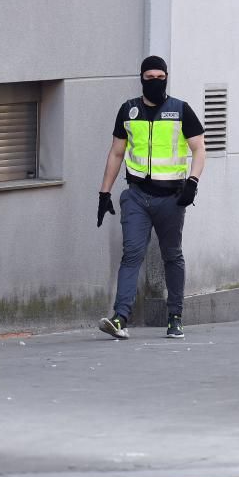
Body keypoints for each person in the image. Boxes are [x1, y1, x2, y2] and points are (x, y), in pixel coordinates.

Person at [96, 55, 206, 339]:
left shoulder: (181, 110)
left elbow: (199, 148)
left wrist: (192, 183)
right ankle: (120, 318)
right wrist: (104, 192)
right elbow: (117, 153)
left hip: (172, 197)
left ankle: (175, 316)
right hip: (137, 196)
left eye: (160, 77)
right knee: (131, 254)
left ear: (167, 77)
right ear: (141, 79)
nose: (155, 82)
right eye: (150, 78)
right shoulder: (128, 110)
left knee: (172, 255)